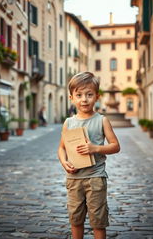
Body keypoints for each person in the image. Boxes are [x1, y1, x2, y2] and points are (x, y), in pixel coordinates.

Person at [58, 72, 120, 239]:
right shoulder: (68, 123)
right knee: (76, 219)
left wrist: (95, 148)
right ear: (71, 98)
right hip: (74, 179)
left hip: (96, 178)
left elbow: (115, 146)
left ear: (97, 97)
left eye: (89, 94)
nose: (84, 99)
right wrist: (64, 163)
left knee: (98, 221)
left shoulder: (102, 120)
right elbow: (61, 148)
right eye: (79, 95)